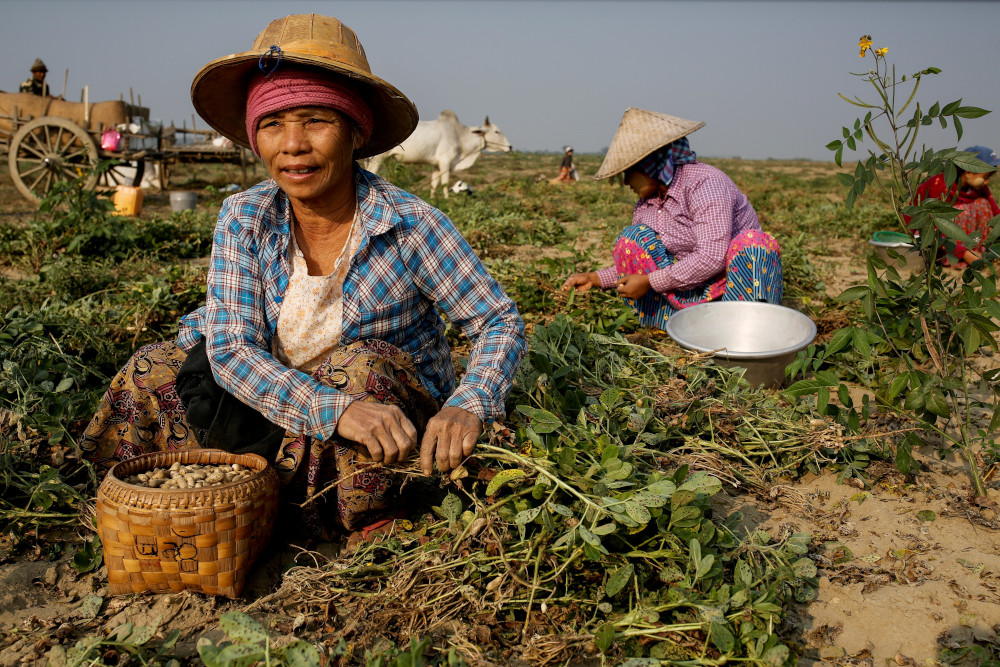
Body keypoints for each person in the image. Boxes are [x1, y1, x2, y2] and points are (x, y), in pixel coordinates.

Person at [78, 13, 527, 541]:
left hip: (381, 421)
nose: (293, 144)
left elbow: (496, 320)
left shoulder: (409, 224)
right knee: (152, 367)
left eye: (316, 120)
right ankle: (162, 504)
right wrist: (328, 409)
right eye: (272, 125)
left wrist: (467, 404)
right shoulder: (244, 217)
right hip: (282, 397)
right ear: (255, 138)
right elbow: (234, 351)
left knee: (362, 369)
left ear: (355, 132)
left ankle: (352, 516)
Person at [561, 107, 783, 330]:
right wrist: (595, 279)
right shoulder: (647, 205)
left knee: (754, 244)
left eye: (628, 172)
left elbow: (712, 257)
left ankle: (748, 330)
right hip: (687, 288)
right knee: (634, 239)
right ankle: (672, 328)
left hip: (733, 288)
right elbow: (643, 264)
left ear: (650, 164)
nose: (626, 182)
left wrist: (649, 282)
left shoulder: (704, 183)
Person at [907, 145, 999, 269]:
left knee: (983, 205)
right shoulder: (940, 185)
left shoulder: (980, 189)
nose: (987, 182)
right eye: (985, 178)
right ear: (969, 171)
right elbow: (932, 229)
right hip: (929, 238)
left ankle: (977, 254)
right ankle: (958, 257)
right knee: (964, 210)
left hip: (958, 243)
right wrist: (964, 254)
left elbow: (996, 214)